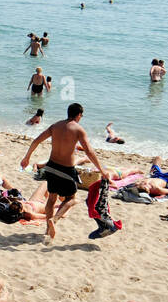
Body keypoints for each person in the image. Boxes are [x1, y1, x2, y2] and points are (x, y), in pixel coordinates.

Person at [19, 102, 108, 241]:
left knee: (52, 198)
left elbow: (36, 140)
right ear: (78, 115)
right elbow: (89, 152)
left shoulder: (56, 126)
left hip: (51, 167)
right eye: (81, 115)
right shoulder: (78, 129)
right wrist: (102, 170)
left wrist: (27, 157)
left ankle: (48, 230)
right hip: (66, 170)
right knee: (72, 199)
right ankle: (53, 220)